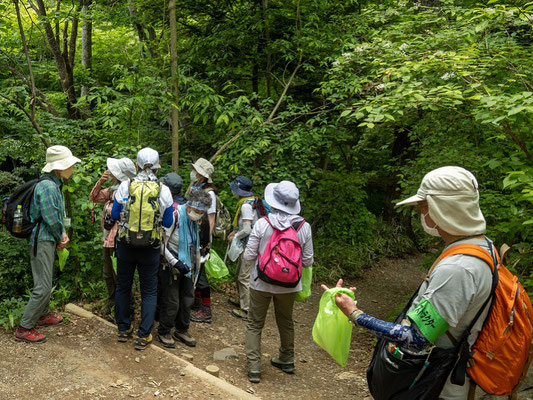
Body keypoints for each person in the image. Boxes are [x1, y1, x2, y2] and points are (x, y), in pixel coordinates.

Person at [325, 166, 492, 399]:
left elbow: (416, 339)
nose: (420, 213)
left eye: (423, 206)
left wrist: (355, 314)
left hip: (440, 387)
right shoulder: (482, 246)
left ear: (441, 208)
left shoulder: (458, 268)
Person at [243, 180, 314, 383]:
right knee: (285, 321)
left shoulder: (262, 223)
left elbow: (249, 256)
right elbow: (308, 260)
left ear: (273, 201)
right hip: (289, 285)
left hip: (261, 283)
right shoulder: (304, 227)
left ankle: (254, 367)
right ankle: (287, 359)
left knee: (255, 324)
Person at [14, 145, 81, 343]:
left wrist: (61, 234)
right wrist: (61, 237)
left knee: (45, 280)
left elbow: (55, 217)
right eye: (70, 165)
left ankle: (42, 315)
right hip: (41, 240)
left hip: (45, 238)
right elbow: (51, 219)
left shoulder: (53, 184)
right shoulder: (49, 187)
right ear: (58, 168)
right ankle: (24, 327)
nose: (72, 169)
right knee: (42, 285)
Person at [111, 147, 173, 351]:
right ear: (157, 167)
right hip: (150, 246)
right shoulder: (163, 189)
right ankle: (143, 335)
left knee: (123, 286)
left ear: (136, 165)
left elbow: (114, 214)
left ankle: (123, 328)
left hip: (126, 244)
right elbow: (168, 220)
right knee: (148, 290)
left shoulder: (126, 185)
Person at [157, 187, 212, 348]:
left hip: (188, 264)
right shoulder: (174, 215)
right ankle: (164, 330)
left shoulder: (196, 221)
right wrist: (175, 262)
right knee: (172, 300)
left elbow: (194, 241)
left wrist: (201, 254)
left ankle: (182, 329)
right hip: (170, 263)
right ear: (188, 205)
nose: (198, 214)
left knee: (188, 298)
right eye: (196, 210)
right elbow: (160, 242)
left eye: (201, 212)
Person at [89, 158, 136, 306]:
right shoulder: (112, 190)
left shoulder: (126, 191)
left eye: (111, 171)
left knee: (119, 274)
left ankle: (125, 305)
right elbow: (94, 198)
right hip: (108, 238)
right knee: (108, 272)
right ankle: (113, 301)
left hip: (119, 238)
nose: (108, 173)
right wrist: (100, 182)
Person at [188, 158, 216, 323]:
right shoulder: (196, 187)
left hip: (202, 238)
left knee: (202, 273)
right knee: (195, 271)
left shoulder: (209, 193)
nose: (194, 172)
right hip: (193, 235)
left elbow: (210, 219)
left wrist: (205, 243)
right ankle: (197, 304)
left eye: (197, 170)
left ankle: (206, 310)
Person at [227, 176, 258, 319]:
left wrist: (235, 237)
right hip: (249, 244)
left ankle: (246, 310)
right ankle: (240, 300)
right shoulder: (250, 201)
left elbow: (247, 230)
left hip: (249, 245)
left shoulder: (245, 206)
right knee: (239, 273)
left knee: (243, 277)